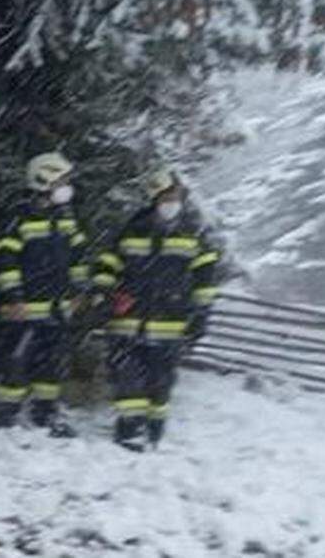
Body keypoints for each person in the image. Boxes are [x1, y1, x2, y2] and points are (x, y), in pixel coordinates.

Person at [92, 167, 220, 451]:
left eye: (177, 196)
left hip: (170, 324)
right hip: (127, 322)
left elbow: (205, 280)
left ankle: (154, 429)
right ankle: (128, 430)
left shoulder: (194, 234)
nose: (173, 202)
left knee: (161, 382)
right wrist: (103, 294)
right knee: (127, 378)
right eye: (167, 196)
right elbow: (107, 265)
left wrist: (200, 315)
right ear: (154, 199)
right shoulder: (132, 228)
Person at [0, 152, 91, 436]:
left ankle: (45, 414)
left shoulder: (66, 217)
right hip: (24, 308)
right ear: (44, 180)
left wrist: (81, 290)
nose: (67, 186)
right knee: (15, 362)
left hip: (57, 307)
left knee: (51, 365)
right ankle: (6, 416)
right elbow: (5, 260)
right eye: (62, 180)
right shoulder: (19, 217)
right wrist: (14, 296)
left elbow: (79, 258)